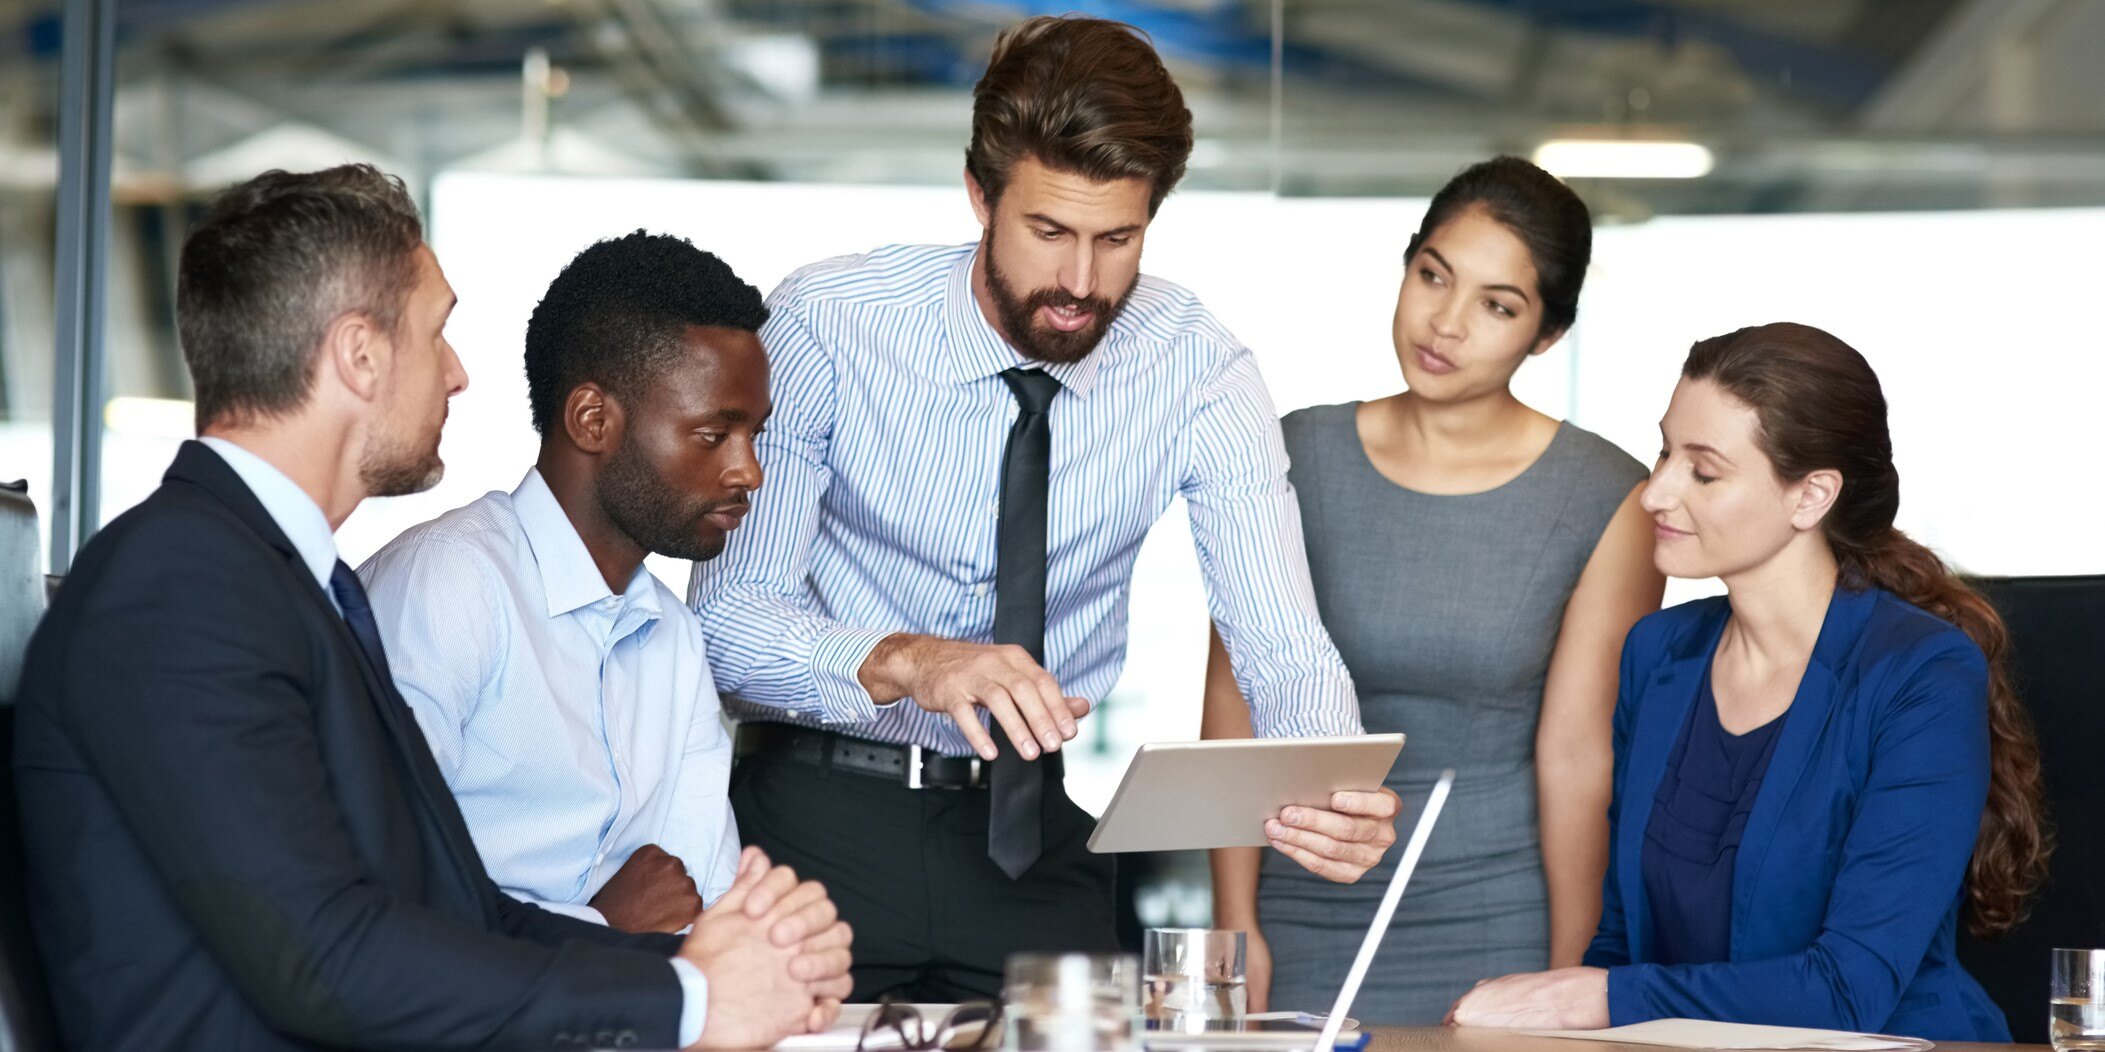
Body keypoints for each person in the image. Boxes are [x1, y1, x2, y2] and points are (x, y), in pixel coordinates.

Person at [13, 166, 850, 1051]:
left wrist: (696, 972)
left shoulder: (275, 579)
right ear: (358, 355)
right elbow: (323, 961)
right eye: (436, 331)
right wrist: (684, 1005)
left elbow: (454, 910)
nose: (456, 374)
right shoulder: (181, 584)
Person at [689, 14, 1399, 1001]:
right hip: (813, 821)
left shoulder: (1197, 367)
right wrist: (911, 658)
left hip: (1026, 835)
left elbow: (1278, 640)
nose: (1078, 282)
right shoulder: (826, 323)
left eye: (1117, 239)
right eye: (1048, 231)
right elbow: (723, 624)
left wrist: (1332, 778)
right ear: (979, 195)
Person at [1448, 323, 2049, 1041]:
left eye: (1702, 471)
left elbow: (1846, 990)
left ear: (1810, 496)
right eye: (1663, 451)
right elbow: (1621, 944)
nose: (1654, 494)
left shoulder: (1919, 673)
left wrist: (1592, 1001)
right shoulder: (1659, 652)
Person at [1204, 156, 1664, 1023]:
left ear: (1546, 335)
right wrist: (1235, 918)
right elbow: (1235, 693)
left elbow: (1575, 758)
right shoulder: (1291, 452)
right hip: (1298, 910)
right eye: (1432, 277)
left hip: (1497, 917)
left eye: (1497, 305)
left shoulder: (1607, 495)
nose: (1445, 323)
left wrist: (1570, 971)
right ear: (1406, 266)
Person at [359, 231, 767, 934]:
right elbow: (371, 900)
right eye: (712, 435)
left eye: (755, 435)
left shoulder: (672, 637)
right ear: (591, 419)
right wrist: (594, 926)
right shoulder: (450, 586)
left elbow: (703, 909)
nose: (748, 471)